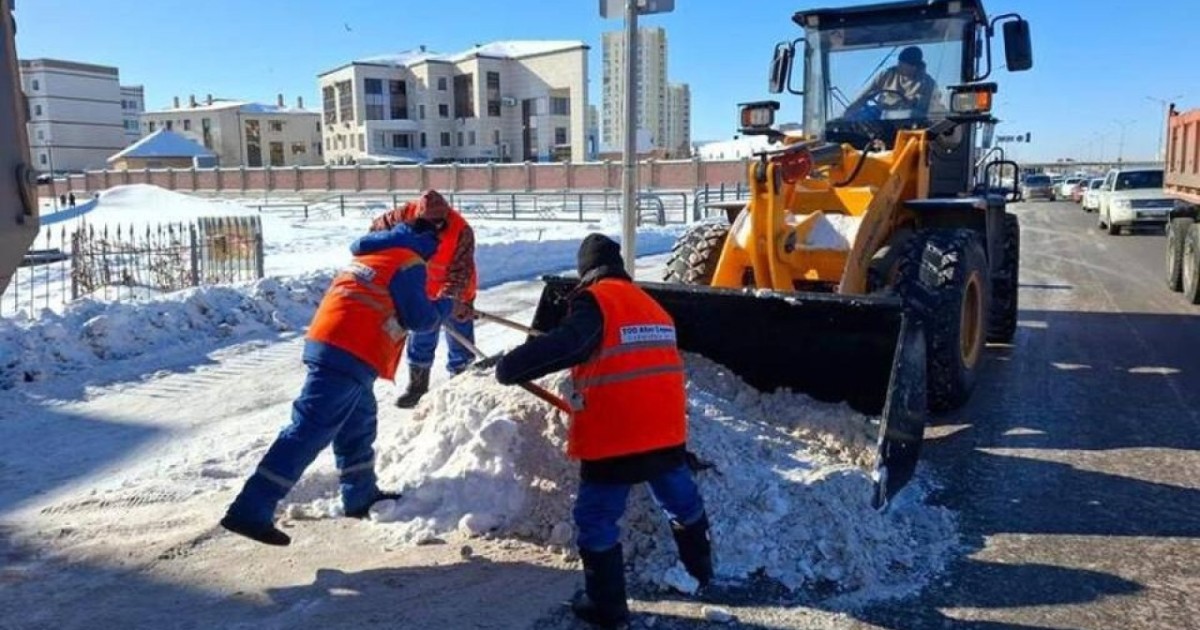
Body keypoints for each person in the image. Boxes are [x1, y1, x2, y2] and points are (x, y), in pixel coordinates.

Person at [494, 234, 713, 628]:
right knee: (680, 500)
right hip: (665, 431)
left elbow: (572, 344)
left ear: (587, 272)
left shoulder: (596, 300)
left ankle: (606, 607)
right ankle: (700, 571)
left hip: (617, 434)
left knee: (596, 518)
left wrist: (512, 366)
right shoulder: (651, 306)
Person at [220, 220, 441, 547]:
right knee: (309, 430)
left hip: (336, 345)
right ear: (427, 240)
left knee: (358, 423)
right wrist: (447, 305)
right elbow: (420, 318)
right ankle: (250, 510)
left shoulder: (375, 253)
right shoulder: (409, 261)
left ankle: (360, 495)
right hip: (351, 349)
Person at [367, 189, 478, 409]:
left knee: (460, 341)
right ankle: (417, 388)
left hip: (457, 291)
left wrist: (448, 303)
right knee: (421, 336)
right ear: (419, 215)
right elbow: (374, 234)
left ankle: (460, 386)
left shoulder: (461, 230)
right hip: (423, 289)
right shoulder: (402, 215)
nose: (436, 227)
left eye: (440, 222)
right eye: (430, 223)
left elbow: (460, 272)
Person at [845, 45, 937, 119]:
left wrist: (911, 102)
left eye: (903, 64)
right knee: (862, 117)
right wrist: (848, 112)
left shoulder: (928, 83)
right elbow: (866, 94)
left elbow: (927, 109)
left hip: (908, 124)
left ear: (914, 67)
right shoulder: (887, 74)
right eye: (899, 63)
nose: (898, 66)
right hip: (880, 118)